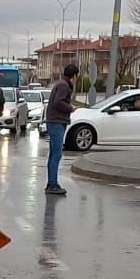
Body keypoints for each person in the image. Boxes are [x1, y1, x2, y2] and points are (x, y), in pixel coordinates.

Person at [45, 63, 79, 196]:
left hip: (54, 121)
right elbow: (58, 102)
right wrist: (70, 108)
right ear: (74, 76)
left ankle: (51, 182)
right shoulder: (64, 86)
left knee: (54, 154)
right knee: (57, 154)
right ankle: (52, 184)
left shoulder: (60, 84)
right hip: (57, 122)